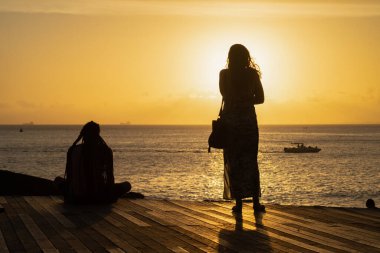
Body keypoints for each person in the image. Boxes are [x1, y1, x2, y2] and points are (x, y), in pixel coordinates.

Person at [219, 44, 265, 213]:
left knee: (234, 162)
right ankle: (255, 204)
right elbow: (260, 98)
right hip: (248, 123)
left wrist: (236, 100)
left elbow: (225, 95)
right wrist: (246, 101)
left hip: (231, 123)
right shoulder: (252, 75)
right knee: (251, 162)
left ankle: (238, 204)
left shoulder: (224, 75)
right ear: (246, 56)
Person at [55, 121, 132, 204]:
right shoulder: (105, 150)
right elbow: (110, 177)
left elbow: (70, 177)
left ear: (83, 133)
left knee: (57, 180)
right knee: (127, 185)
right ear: (98, 134)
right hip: (99, 197)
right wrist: (110, 194)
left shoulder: (73, 150)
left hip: (76, 197)